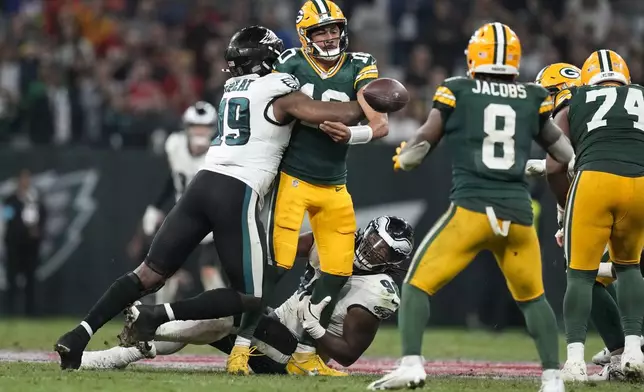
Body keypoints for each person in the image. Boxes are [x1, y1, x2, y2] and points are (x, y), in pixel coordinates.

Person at [53, 25, 372, 371]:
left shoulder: (232, 87)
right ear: (268, 60)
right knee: (251, 295)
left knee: (148, 273)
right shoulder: (279, 89)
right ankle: (156, 314)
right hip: (236, 191)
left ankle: (77, 336)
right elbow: (332, 113)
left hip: (201, 185)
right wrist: (369, 101)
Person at [368, 23, 574, 392]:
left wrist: (407, 158)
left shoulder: (457, 89)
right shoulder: (533, 96)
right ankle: (553, 378)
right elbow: (563, 153)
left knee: (416, 285)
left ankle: (412, 364)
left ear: (474, 56)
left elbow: (422, 143)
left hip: (473, 208)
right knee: (534, 298)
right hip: (517, 213)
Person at [79, 216, 414, 375]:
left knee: (233, 313)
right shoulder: (332, 243)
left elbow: (349, 355)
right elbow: (278, 251)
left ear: (394, 262)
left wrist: (315, 330)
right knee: (218, 317)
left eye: (383, 250)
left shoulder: (377, 291)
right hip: (275, 327)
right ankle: (123, 352)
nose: (371, 250)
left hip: (295, 355)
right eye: (372, 240)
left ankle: (151, 323)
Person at [262, 0, 389, 376]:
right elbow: (287, 110)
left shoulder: (360, 63)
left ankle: (304, 351)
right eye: (321, 30)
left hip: (334, 182)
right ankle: (240, 337)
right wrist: (351, 111)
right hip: (292, 176)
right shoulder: (290, 62)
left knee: (336, 270)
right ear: (306, 36)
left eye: (333, 28)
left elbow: (379, 125)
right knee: (273, 265)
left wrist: (354, 133)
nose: (330, 36)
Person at [544, 49, 644, 382]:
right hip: (639, 184)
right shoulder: (641, 95)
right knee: (628, 269)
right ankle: (632, 351)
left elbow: (555, 164)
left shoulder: (576, 97)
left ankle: (574, 362)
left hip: (594, 183)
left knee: (580, 274)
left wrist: (564, 207)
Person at [140, 101, 226, 303]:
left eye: (204, 127)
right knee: (164, 267)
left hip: (213, 220)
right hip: (184, 216)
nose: (199, 132)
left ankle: (224, 317)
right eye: (196, 126)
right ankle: (158, 318)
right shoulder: (175, 145)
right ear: (186, 128)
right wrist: (156, 206)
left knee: (209, 271)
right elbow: (174, 177)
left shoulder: (219, 153)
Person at [2, 169, 47, 316]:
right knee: (12, 279)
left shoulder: (36, 200)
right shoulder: (11, 200)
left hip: (30, 247)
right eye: (23, 179)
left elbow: (43, 218)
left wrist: (37, 231)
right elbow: (8, 219)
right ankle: (10, 312)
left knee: (30, 280)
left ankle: (30, 312)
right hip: (14, 245)